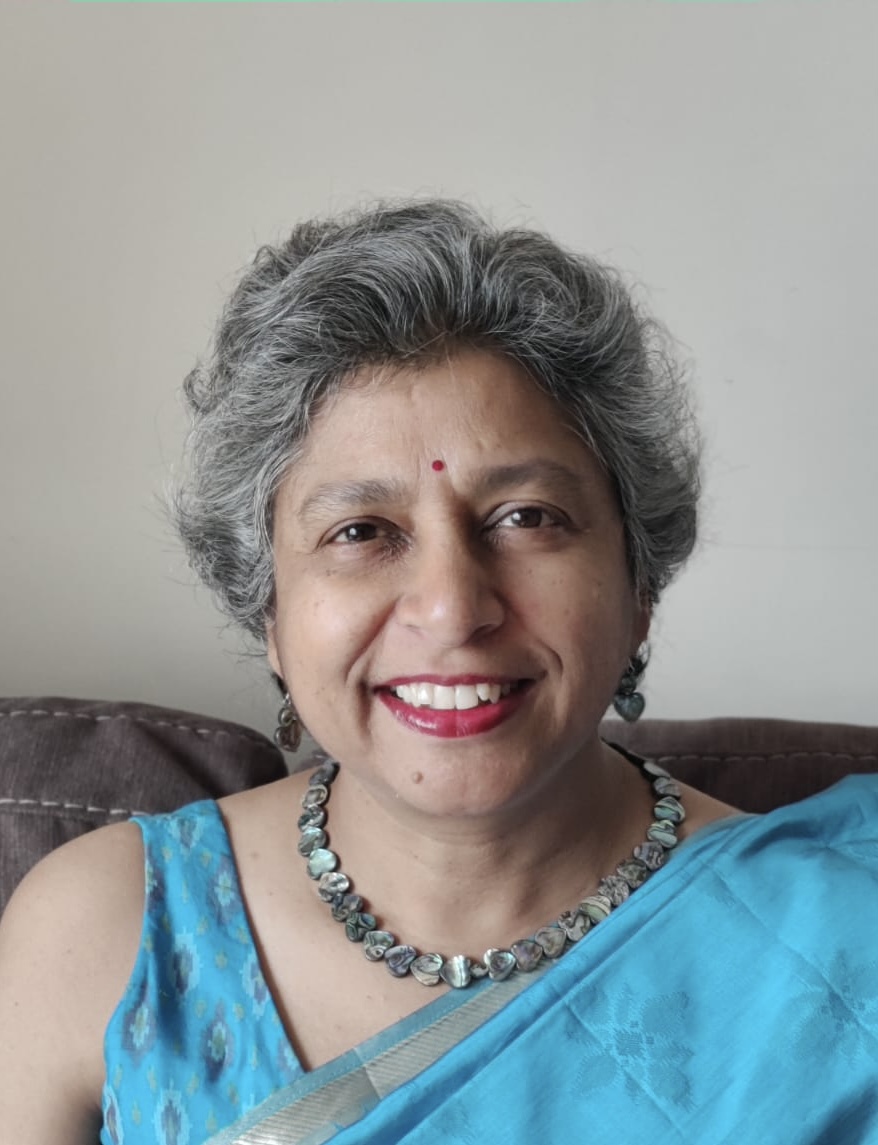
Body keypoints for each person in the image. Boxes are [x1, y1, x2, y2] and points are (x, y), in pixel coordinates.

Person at [0, 201, 876, 1145]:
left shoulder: (837, 944)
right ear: (271, 616)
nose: (454, 608)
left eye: (526, 518)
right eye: (361, 531)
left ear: (639, 586)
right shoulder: (103, 932)